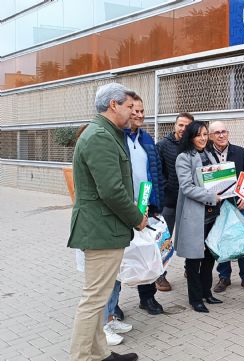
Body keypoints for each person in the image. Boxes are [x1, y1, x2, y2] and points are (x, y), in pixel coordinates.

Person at [68, 82, 146, 361]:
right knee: (93, 301)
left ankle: (100, 355)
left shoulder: (105, 133)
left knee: (97, 297)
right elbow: (111, 190)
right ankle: (80, 357)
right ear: (113, 105)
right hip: (101, 230)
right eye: (128, 106)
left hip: (103, 228)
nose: (132, 112)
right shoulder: (100, 136)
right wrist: (137, 218)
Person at [174, 121, 225, 313]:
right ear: (191, 137)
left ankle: (207, 293)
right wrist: (212, 197)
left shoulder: (210, 154)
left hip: (212, 214)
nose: (203, 138)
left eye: (205, 134)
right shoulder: (184, 157)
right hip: (195, 216)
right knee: (194, 259)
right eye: (198, 135)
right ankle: (195, 299)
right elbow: (187, 188)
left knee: (210, 256)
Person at [123, 95, 166, 316]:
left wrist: (156, 203)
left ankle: (147, 298)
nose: (140, 115)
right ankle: (113, 305)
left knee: (147, 251)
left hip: (145, 204)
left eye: (142, 111)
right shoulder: (116, 138)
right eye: (135, 111)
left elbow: (155, 173)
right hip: (122, 204)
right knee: (120, 255)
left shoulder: (147, 139)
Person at [206, 121, 244, 294]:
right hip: (216, 205)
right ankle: (224, 276)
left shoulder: (240, 152)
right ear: (210, 136)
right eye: (217, 132)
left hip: (238, 203)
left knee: (242, 240)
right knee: (222, 239)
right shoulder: (205, 153)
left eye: (224, 132)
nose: (221, 135)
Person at [157, 112, 193, 282]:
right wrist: (166, 188)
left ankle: (190, 269)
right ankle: (160, 274)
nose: (183, 129)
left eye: (187, 126)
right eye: (181, 125)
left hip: (190, 203)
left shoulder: (194, 145)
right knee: (165, 240)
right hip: (169, 202)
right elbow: (157, 171)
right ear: (175, 125)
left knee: (189, 238)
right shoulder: (163, 145)